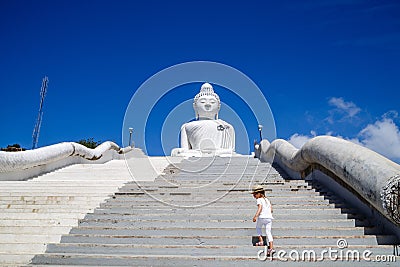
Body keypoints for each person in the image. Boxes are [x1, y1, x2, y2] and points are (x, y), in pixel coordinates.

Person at [251, 185, 275, 255]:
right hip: (269, 218)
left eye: (255, 194)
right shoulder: (267, 200)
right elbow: (271, 209)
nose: (254, 196)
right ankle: (271, 248)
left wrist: (255, 216)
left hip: (262, 217)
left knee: (258, 228)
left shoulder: (259, 200)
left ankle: (261, 241)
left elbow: (260, 208)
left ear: (259, 194)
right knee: (268, 232)